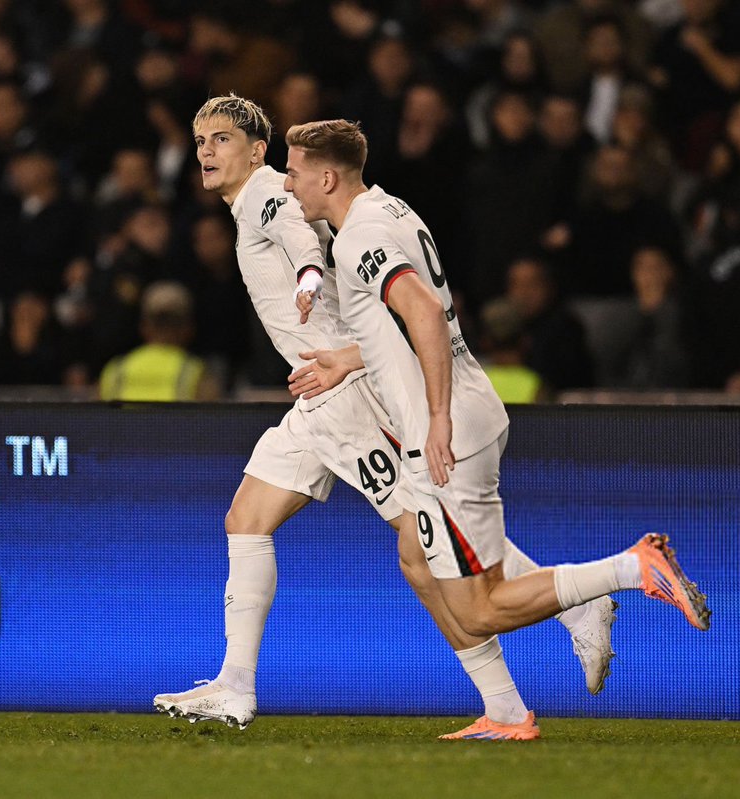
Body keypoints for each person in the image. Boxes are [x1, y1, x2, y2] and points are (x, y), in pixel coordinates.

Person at [153, 94, 616, 741]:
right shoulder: (259, 199)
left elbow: (298, 235)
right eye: (200, 138)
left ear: (258, 151)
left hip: (345, 397)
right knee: (248, 517)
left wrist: (313, 276)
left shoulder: (264, 193)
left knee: (422, 545)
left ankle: (552, 638)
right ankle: (234, 683)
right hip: (318, 396)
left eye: (222, 138)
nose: (206, 150)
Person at [282, 119, 710, 736]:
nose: (290, 185)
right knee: (416, 556)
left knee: (480, 610)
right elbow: (408, 319)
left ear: (326, 177)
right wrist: (350, 359)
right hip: (462, 410)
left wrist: (433, 420)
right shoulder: (391, 210)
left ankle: (628, 570)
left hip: (447, 426)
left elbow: (425, 311)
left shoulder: (357, 240)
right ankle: (506, 710)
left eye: (295, 172)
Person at [97, 280, 219, 402]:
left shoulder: (115, 370)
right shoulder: (197, 372)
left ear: (144, 327)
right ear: (188, 329)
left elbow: (93, 418)